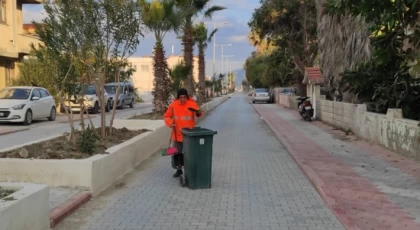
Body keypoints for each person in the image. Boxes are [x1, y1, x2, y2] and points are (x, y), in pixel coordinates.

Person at [164, 88, 203, 177]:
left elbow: (199, 113)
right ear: (178, 98)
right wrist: (170, 123)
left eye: (184, 97)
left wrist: (198, 113)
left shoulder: (192, 104)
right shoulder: (173, 106)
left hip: (189, 135)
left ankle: (190, 170)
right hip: (177, 135)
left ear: (187, 97)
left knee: (190, 153)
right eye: (180, 97)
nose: (182, 99)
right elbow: (166, 116)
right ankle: (179, 170)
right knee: (177, 153)